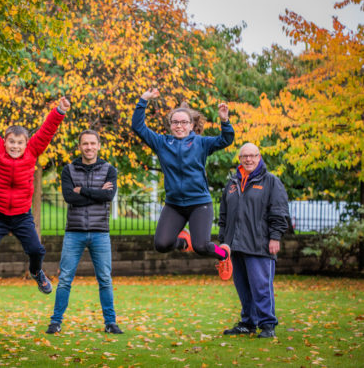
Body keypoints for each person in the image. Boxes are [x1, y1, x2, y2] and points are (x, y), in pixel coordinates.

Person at [0, 90, 70, 301]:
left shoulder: (32, 152)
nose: (15, 147)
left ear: (26, 144)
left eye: (20, 143)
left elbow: (47, 131)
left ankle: (37, 272)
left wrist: (59, 111)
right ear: (4, 141)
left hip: (22, 216)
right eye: (12, 142)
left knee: (37, 250)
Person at [131, 88, 235, 280]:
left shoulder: (202, 143)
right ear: (170, 125)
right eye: (175, 122)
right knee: (161, 245)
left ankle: (224, 254)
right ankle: (183, 242)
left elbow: (226, 140)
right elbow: (138, 127)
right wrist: (144, 99)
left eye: (184, 122)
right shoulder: (162, 143)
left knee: (202, 246)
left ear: (191, 125)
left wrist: (224, 120)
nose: (179, 126)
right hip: (174, 205)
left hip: (199, 203)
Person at [46, 130, 123, 335]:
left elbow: (109, 196)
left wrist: (84, 190)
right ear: (79, 147)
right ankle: (55, 321)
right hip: (74, 232)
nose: (88, 147)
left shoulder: (109, 170)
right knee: (65, 279)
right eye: (85, 144)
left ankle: (110, 323)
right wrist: (98, 193)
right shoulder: (69, 170)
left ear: (99, 145)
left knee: (105, 279)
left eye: (92, 143)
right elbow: (70, 198)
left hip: (100, 232)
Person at [219, 143, 289, 338]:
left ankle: (267, 325)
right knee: (243, 288)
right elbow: (223, 215)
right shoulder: (232, 183)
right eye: (244, 156)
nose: (248, 159)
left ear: (259, 157)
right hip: (234, 247)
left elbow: (279, 212)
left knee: (261, 287)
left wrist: (275, 237)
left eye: (252, 155)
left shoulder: (271, 182)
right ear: (239, 159)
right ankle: (248, 323)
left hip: (259, 245)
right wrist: (223, 242)